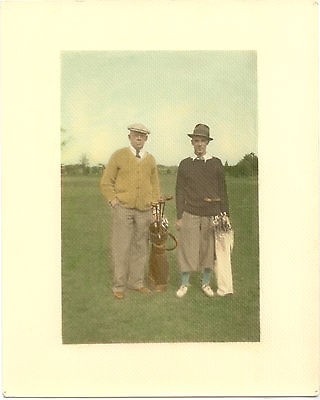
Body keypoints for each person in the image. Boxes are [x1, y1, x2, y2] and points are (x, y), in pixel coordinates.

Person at [100, 123, 161, 299]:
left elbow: (155, 186)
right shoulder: (118, 156)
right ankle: (119, 285)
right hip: (123, 209)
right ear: (130, 137)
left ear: (146, 139)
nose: (139, 138)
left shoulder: (150, 160)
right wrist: (113, 200)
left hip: (145, 210)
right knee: (121, 246)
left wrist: (155, 208)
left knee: (141, 246)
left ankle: (136, 282)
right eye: (136, 135)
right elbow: (106, 182)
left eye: (142, 136)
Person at [175, 123, 233, 298]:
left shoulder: (216, 163)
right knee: (187, 248)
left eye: (202, 141)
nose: (199, 144)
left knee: (209, 251)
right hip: (190, 212)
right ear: (192, 142)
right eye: (196, 140)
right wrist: (179, 216)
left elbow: (222, 191)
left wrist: (225, 215)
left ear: (207, 143)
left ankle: (206, 283)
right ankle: (184, 284)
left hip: (212, 214)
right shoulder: (185, 164)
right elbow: (179, 191)